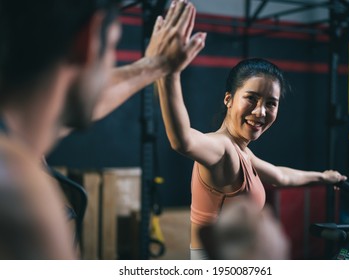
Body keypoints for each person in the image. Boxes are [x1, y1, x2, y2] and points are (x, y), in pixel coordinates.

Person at [0, 0, 200, 259]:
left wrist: (155, 65)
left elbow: (80, 100)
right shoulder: (18, 191)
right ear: (91, 39)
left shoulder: (18, 132)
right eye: (114, 45)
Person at [156, 53, 347, 258]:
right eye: (251, 98)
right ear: (228, 99)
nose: (260, 112)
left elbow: (280, 176)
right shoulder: (223, 149)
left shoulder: (242, 153)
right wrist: (170, 73)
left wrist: (323, 177)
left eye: (271, 103)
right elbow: (183, 141)